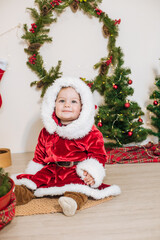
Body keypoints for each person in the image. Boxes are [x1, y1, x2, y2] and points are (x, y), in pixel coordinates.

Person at [12, 77, 121, 216]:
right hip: (52, 170)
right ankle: (19, 194)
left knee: (80, 187)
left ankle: (72, 201)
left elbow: (98, 156)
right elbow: (39, 156)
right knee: (34, 181)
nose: (67, 105)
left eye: (73, 101)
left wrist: (91, 172)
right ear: (53, 104)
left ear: (82, 107)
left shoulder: (91, 133)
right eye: (61, 101)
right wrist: (34, 172)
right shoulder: (47, 131)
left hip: (75, 170)